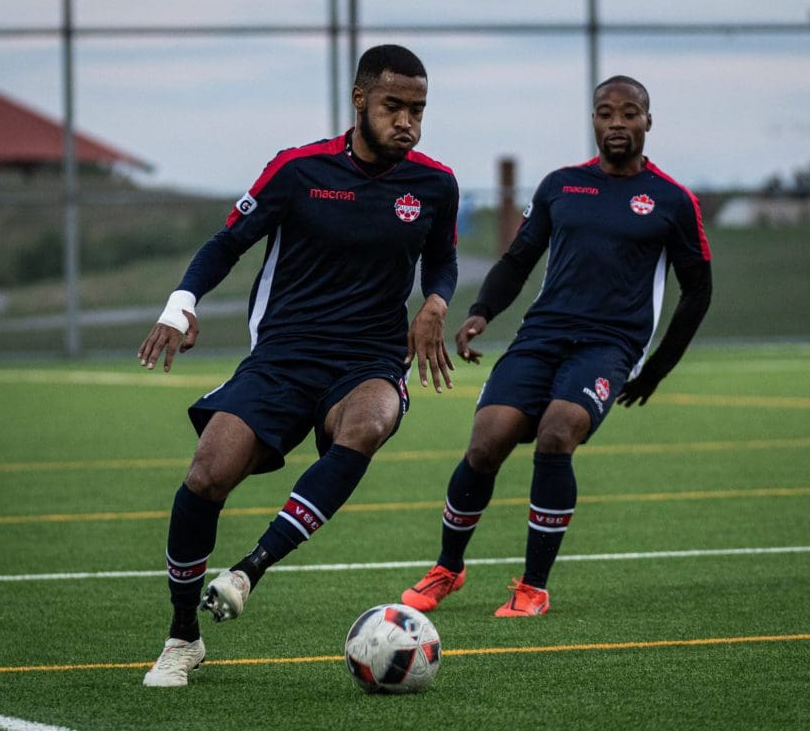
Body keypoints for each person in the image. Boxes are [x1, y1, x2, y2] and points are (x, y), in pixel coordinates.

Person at [139, 44, 459, 686]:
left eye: (418, 110)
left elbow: (442, 259)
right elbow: (227, 242)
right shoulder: (297, 169)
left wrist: (435, 300)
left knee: (368, 422)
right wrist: (180, 305)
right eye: (394, 106)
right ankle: (182, 636)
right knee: (207, 476)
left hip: (368, 357)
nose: (407, 122)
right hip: (284, 356)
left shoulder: (434, 183)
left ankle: (250, 569)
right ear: (360, 100)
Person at [401, 75, 712, 617]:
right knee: (485, 442)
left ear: (647, 121)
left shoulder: (672, 200)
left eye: (629, 113)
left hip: (610, 345)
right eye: (605, 113)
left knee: (556, 432)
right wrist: (480, 313)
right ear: (593, 120)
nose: (617, 123)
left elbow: (699, 289)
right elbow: (519, 259)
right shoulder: (561, 186)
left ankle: (533, 587)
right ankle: (447, 569)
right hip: (541, 335)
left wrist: (656, 368)